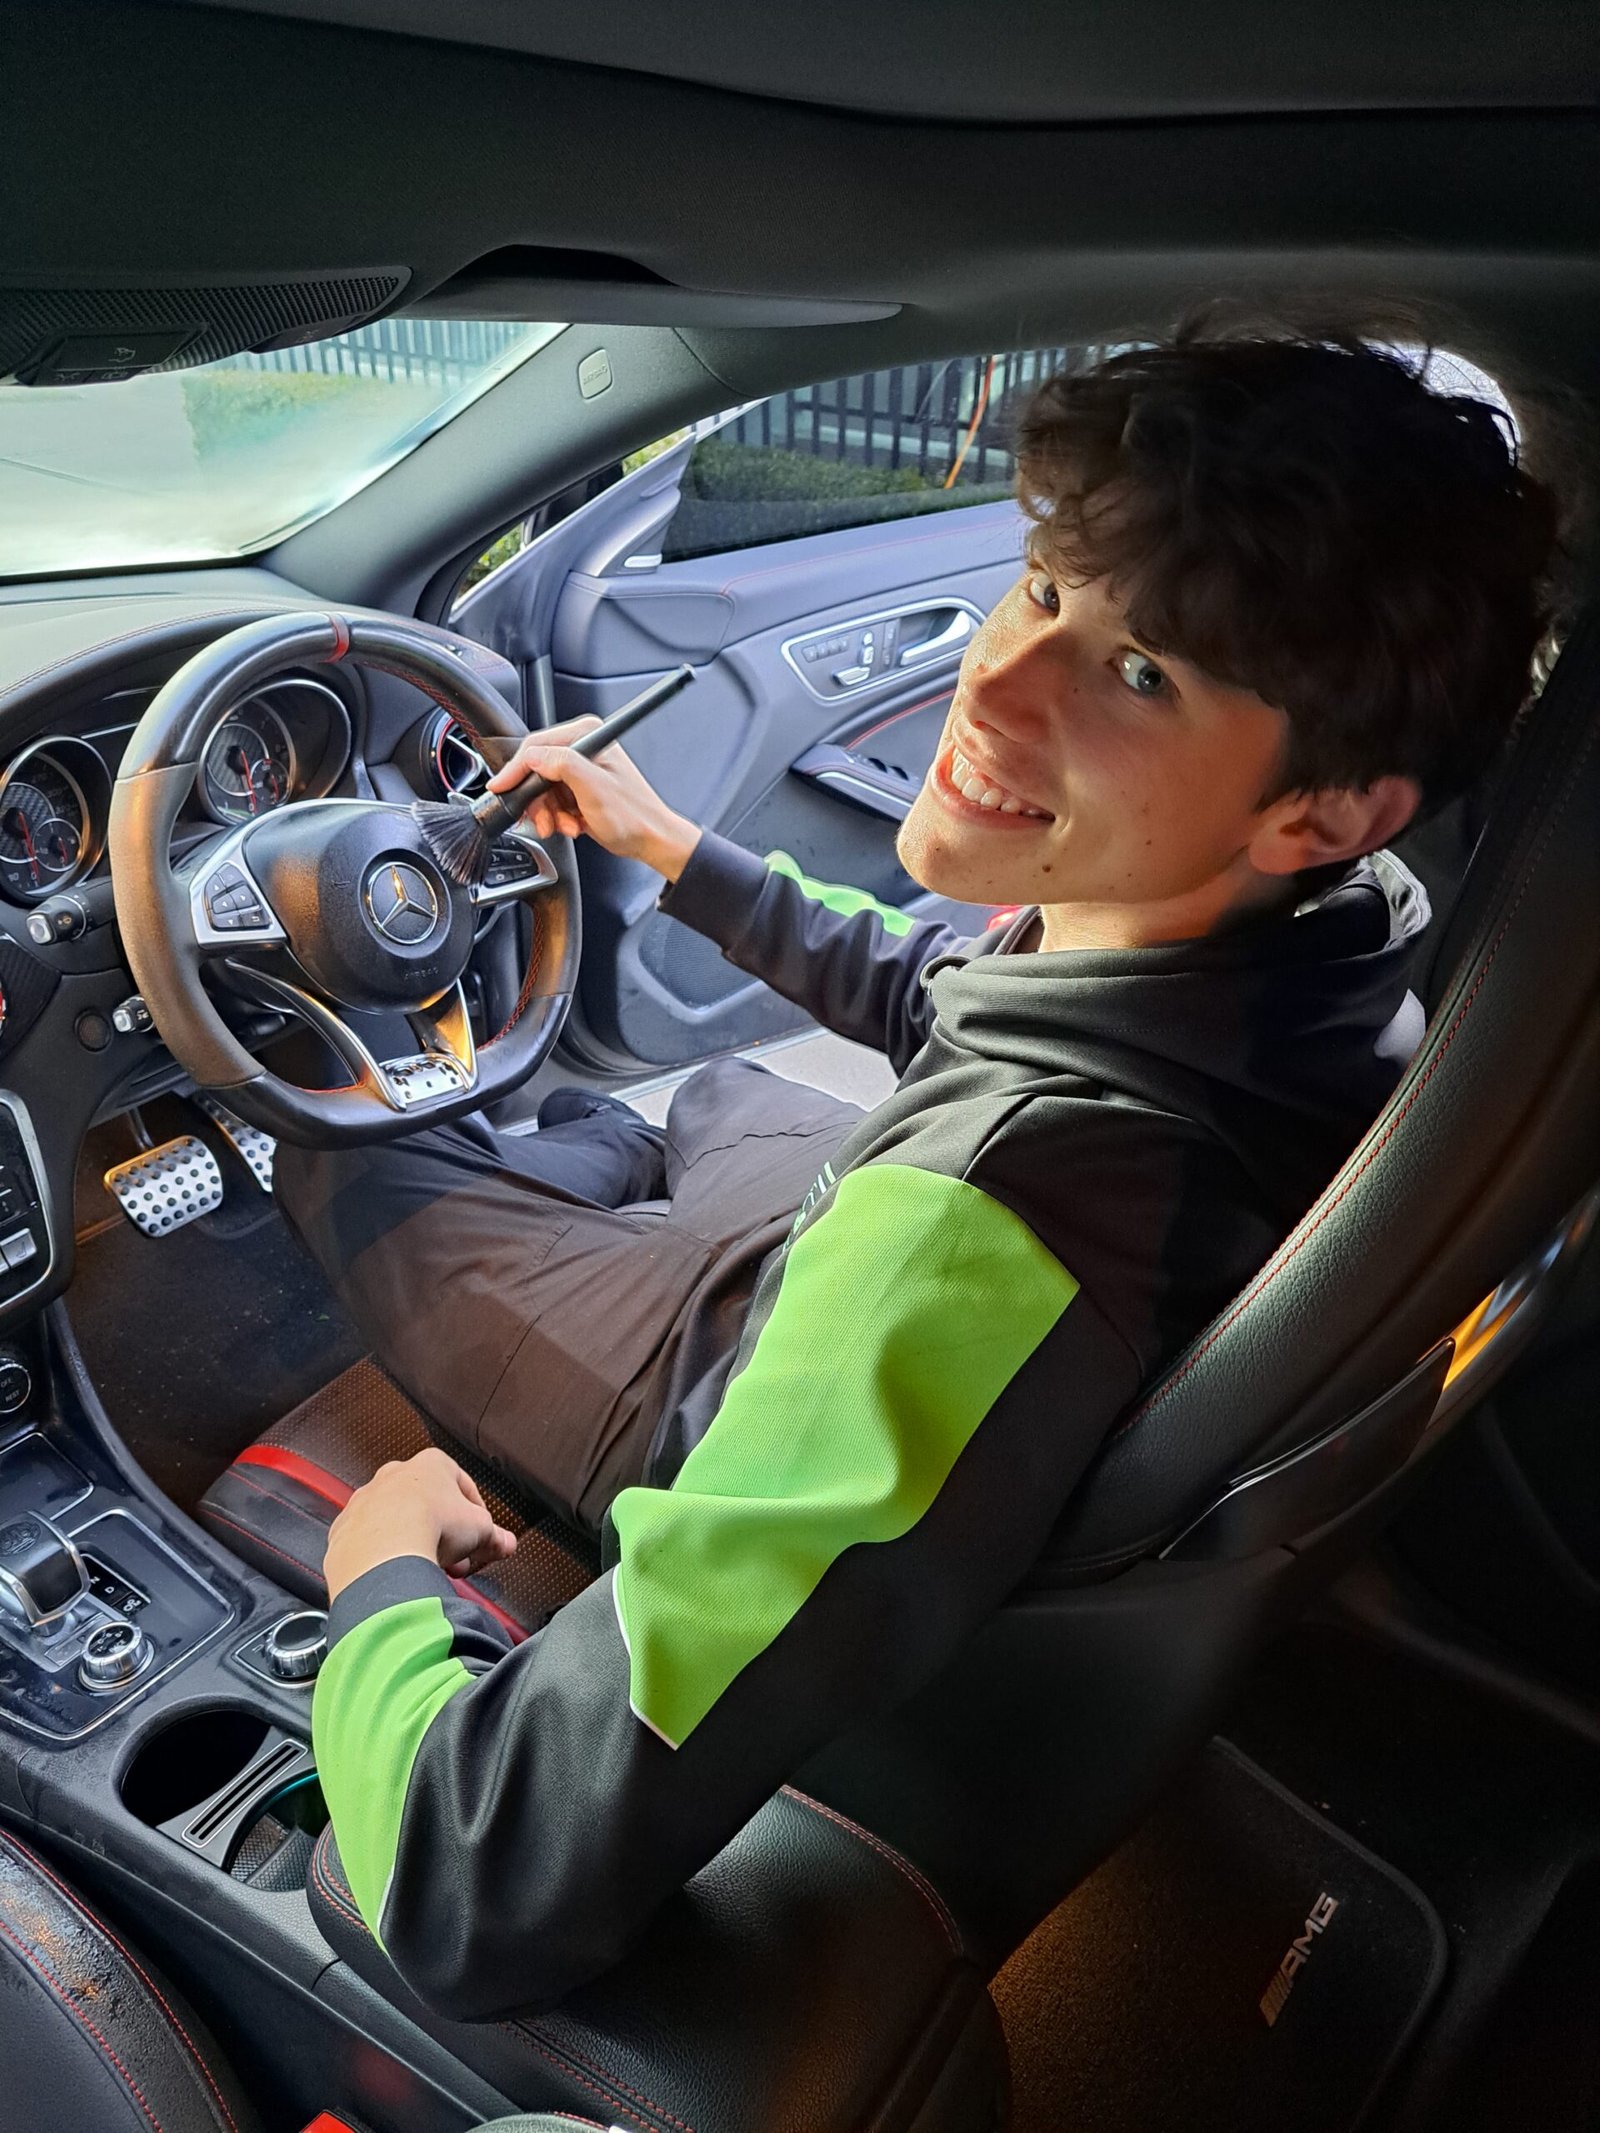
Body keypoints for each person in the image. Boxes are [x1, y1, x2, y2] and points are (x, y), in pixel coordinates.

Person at [276, 324, 1562, 2018]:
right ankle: (569, 1162)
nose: (996, 679)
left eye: (1143, 673)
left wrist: (374, 1565)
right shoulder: (1320, 938)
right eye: (1041, 587)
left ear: (1323, 809)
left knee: (341, 1151)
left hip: (762, 1380)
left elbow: (476, 1879)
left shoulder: (984, 1232)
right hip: (866, 1234)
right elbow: (952, 997)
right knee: (662, 1103)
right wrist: (669, 842)